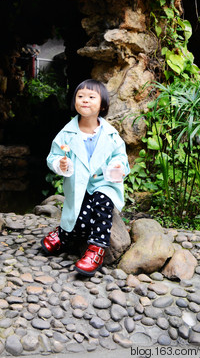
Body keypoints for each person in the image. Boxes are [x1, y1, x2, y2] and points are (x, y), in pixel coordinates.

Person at [41, 78, 130, 276]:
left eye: (91, 97)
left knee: (101, 203)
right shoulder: (67, 133)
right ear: (74, 102)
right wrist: (60, 164)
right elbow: (53, 156)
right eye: (80, 96)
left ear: (103, 105)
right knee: (80, 217)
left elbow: (121, 160)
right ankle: (65, 232)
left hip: (103, 183)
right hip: (79, 184)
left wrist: (117, 167)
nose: (85, 100)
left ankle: (97, 249)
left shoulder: (111, 134)